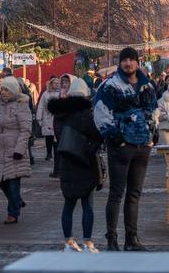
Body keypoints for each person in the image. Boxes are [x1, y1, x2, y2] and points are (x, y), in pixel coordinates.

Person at [93, 47, 157, 251]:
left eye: (131, 60)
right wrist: (115, 138)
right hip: (121, 147)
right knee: (117, 193)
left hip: (142, 146)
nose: (128, 63)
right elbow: (100, 113)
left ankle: (132, 238)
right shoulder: (110, 85)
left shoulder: (147, 86)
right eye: (125, 60)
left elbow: (154, 110)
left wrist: (152, 135)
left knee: (135, 194)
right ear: (120, 63)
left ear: (137, 63)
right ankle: (112, 239)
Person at [49, 75, 103, 252]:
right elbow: (97, 136)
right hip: (85, 163)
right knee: (88, 204)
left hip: (66, 162)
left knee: (68, 203)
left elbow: (59, 137)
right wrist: (89, 149)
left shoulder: (60, 114)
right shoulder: (86, 114)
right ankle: (88, 242)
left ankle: (68, 242)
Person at [0, 76, 32, 224]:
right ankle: (17, 200)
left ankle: (13, 213)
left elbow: (26, 130)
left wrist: (19, 149)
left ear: (13, 90)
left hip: (14, 150)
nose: (3, 92)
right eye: (2, 89)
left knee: (12, 182)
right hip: (0, 149)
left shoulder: (22, 105)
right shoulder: (0, 105)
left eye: (6, 89)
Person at [37, 77, 61, 165]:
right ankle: (49, 153)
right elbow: (41, 106)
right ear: (51, 84)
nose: (56, 84)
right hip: (47, 117)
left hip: (57, 117)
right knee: (48, 137)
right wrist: (39, 117)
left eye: (57, 83)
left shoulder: (61, 93)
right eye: (54, 83)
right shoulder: (46, 94)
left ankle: (56, 153)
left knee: (56, 137)